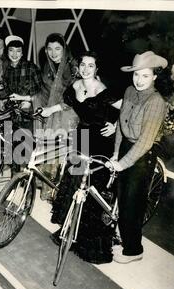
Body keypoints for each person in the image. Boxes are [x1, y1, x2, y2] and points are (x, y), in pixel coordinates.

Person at [50, 51, 122, 264]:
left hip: (100, 142)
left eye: (91, 65)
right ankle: (69, 230)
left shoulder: (103, 90)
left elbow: (127, 107)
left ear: (96, 69)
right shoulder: (75, 86)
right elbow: (67, 104)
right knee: (74, 184)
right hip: (81, 137)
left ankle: (89, 243)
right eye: (83, 64)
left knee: (92, 190)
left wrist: (116, 125)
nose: (86, 69)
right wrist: (48, 110)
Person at [105, 51, 168, 264]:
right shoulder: (130, 91)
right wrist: (116, 153)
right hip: (125, 146)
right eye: (136, 75)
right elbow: (121, 127)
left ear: (155, 77)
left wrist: (122, 163)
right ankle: (120, 232)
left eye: (145, 76)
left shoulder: (156, 101)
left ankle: (134, 250)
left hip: (143, 153)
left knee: (132, 200)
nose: (139, 80)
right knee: (121, 194)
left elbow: (145, 141)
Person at [35, 33, 79, 201]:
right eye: (50, 49)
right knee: (48, 151)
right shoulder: (47, 66)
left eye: (58, 49)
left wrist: (53, 109)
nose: (54, 53)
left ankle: (58, 194)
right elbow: (44, 91)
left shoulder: (73, 66)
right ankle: (48, 189)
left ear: (64, 49)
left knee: (60, 155)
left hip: (68, 114)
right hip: (51, 113)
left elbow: (76, 98)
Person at [1, 35, 43, 133]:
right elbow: (7, 91)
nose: (14, 54)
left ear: (22, 53)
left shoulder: (31, 68)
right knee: (8, 143)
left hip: (29, 115)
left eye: (18, 51)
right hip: (12, 113)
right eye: (11, 50)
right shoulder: (7, 70)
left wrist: (29, 101)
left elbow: (42, 92)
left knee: (27, 145)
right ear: (7, 52)